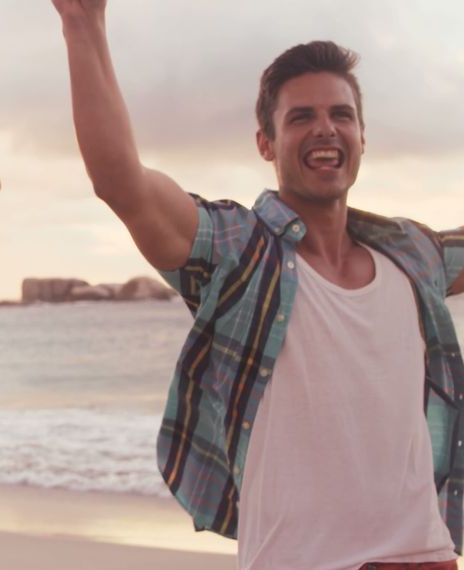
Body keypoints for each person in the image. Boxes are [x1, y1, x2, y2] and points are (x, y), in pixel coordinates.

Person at [52, 1, 464, 568]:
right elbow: (122, 181)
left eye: (341, 115)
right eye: (300, 117)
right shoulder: (241, 250)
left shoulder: (412, 255)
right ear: (265, 144)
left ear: (363, 137)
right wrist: (83, 25)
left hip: (426, 557)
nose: (326, 128)